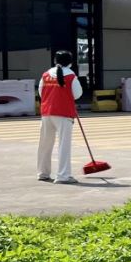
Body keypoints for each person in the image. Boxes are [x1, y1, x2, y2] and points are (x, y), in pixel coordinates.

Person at [36, 50, 83, 185]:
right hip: (63, 113)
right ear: (70, 62)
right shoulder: (71, 76)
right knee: (64, 145)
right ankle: (63, 176)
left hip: (46, 113)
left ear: (55, 61)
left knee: (45, 144)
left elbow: (41, 93)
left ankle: (43, 173)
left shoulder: (46, 75)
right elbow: (77, 94)